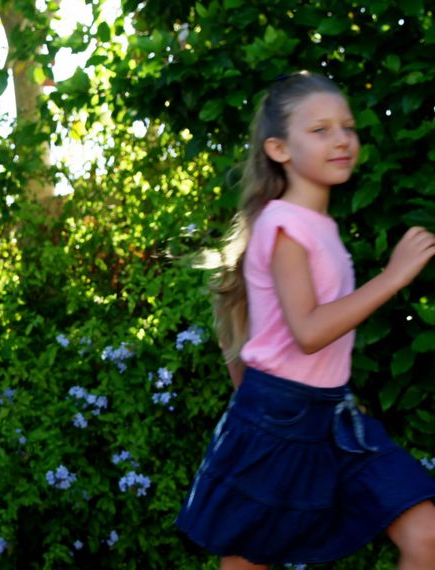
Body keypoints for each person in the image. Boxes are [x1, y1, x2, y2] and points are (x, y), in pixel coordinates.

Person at [175, 72, 435, 569]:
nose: (341, 139)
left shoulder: (315, 226)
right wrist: (393, 277)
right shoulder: (284, 224)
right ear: (278, 149)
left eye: (348, 127)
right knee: (248, 562)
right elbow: (309, 331)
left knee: (425, 534)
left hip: (332, 416)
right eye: (319, 130)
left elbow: (259, 329)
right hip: (280, 421)